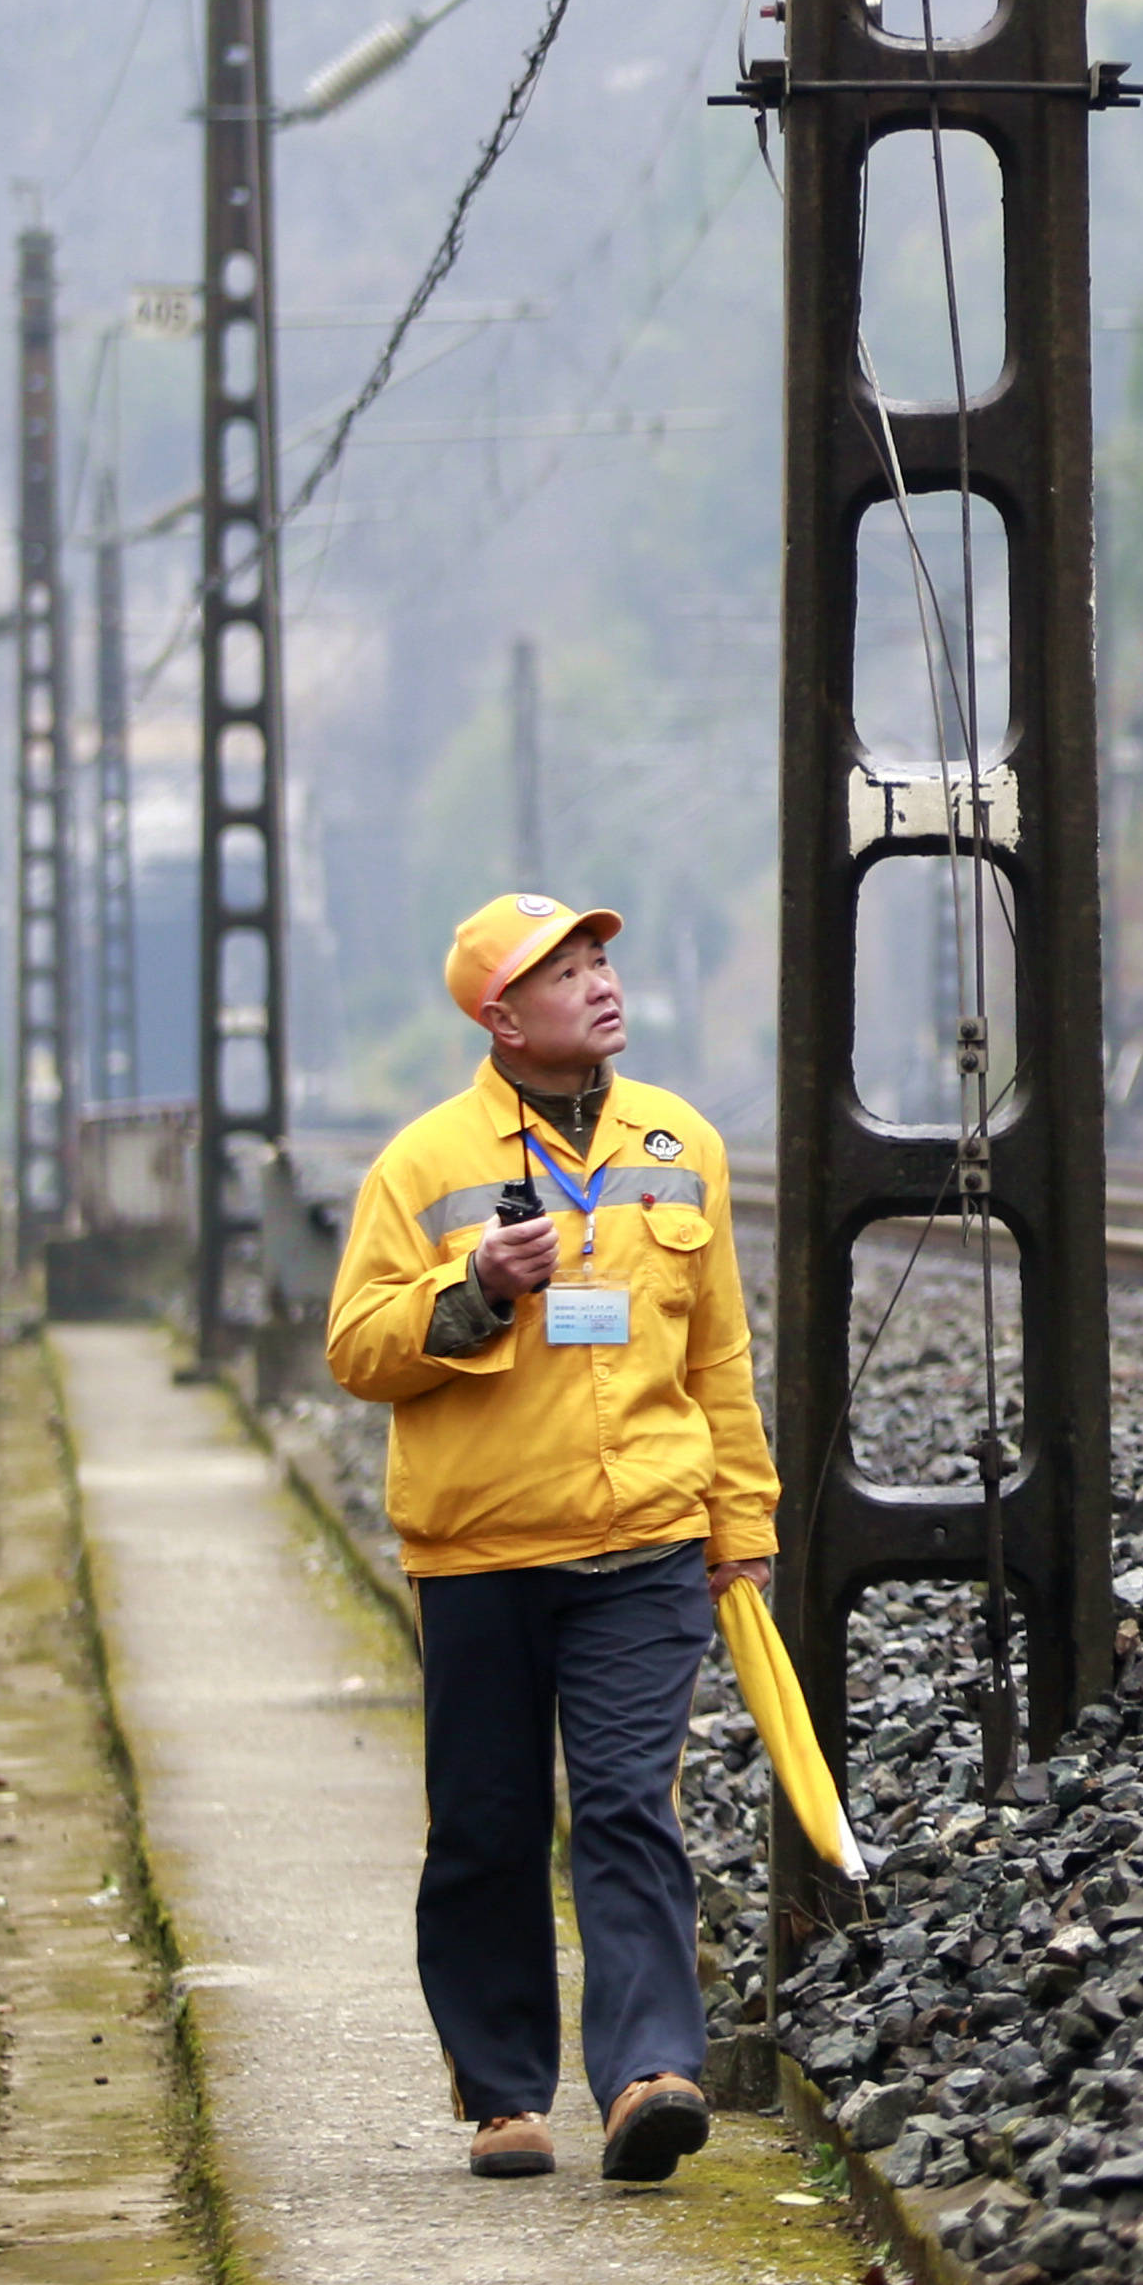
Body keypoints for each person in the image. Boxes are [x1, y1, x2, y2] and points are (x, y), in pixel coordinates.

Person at [326, 890, 777, 2184]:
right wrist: (474, 1291)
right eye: (564, 970)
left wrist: (738, 1522)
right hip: (481, 1555)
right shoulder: (422, 1167)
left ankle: (649, 2076)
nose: (599, 984)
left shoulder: (681, 1142)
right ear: (499, 1016)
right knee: (487, 1820)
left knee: (632, 1806)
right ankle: (505, 2095)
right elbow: (356, 1348)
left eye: (599, 961)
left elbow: (722, 1354)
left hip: (643, 1543)